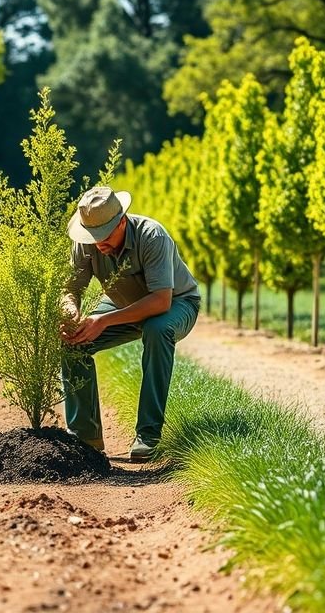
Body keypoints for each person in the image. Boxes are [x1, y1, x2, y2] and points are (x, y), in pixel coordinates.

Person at [60, 186, 200, 462]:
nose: (99, 243)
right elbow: (70, 289)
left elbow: (160, 301)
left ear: (122, 221)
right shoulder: (86, 241)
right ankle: (85, 438)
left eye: (105, 236)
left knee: (157, 329)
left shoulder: (152, 236)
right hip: (123, 304)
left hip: (177, 302)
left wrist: (103, 320)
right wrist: (70, 312)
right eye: (93, 236)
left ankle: (148, 435)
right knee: (74, 340)